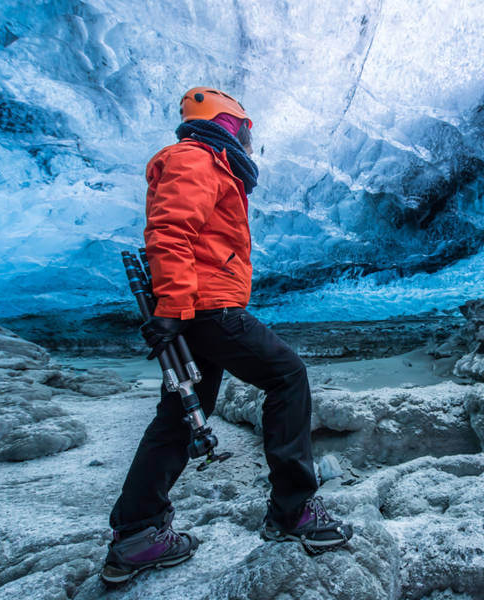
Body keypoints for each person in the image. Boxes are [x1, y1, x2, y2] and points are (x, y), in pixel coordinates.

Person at [100, 87, 353, 585]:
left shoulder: (210, 166)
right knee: (287, 375)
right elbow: (171, 231)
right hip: (207, 307)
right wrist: (172, 306)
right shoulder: (198, 159)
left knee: (178, 415)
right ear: (228, 123)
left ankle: (136, 535)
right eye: (245, 129)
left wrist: (175, 308)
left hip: (196, 306)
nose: (249, 140)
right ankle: (294, 509)